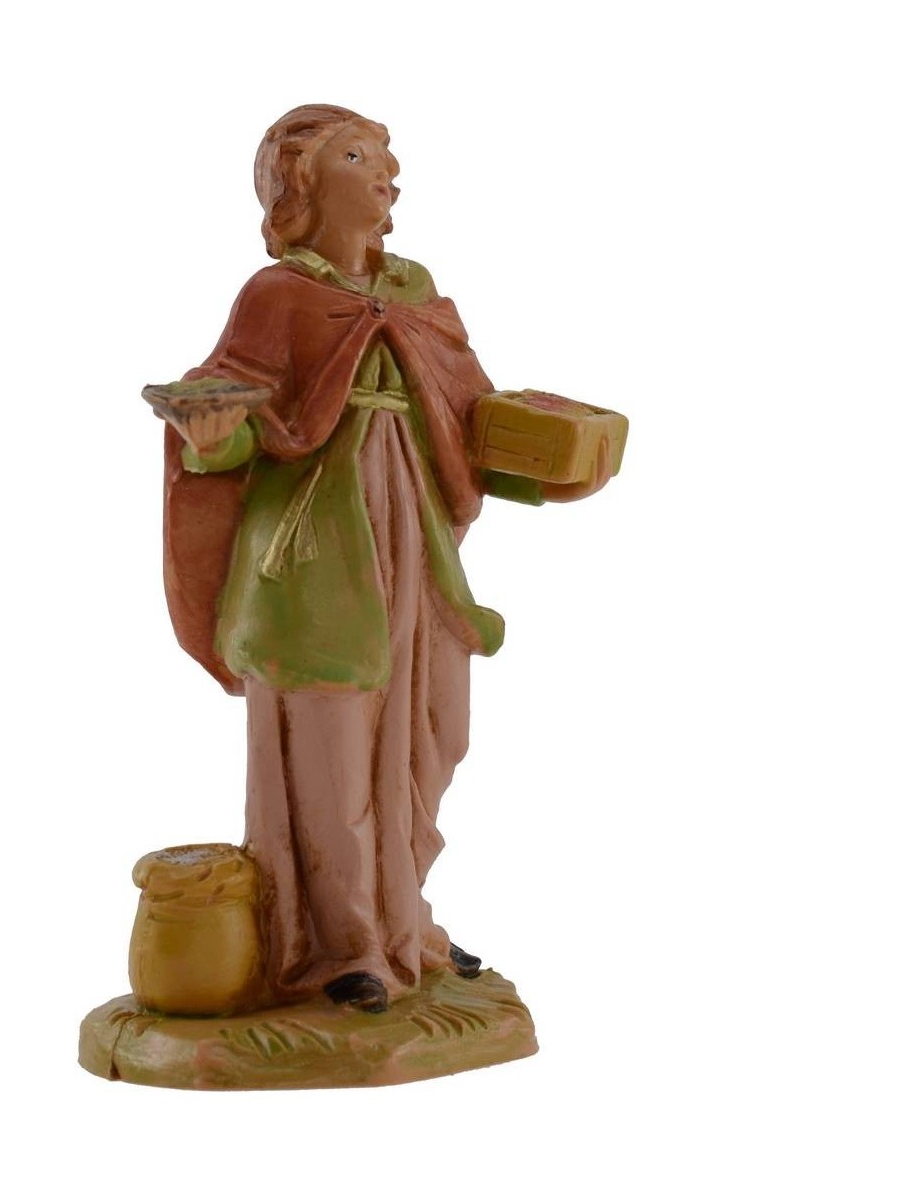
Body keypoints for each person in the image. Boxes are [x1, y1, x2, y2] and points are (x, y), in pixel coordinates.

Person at [160, 104, 611, 1013]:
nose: (387, 173)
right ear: (300, 187)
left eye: (386, 156)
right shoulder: (277, 296)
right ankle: (346, 947)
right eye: (359, 155)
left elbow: (468, 416)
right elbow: (232, 419)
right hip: (314, 555)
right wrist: (211, 437)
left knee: (436, 729)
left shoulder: (415, 290)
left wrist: (553, 466)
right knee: (330, 753)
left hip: (416, 542)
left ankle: (407, 923)